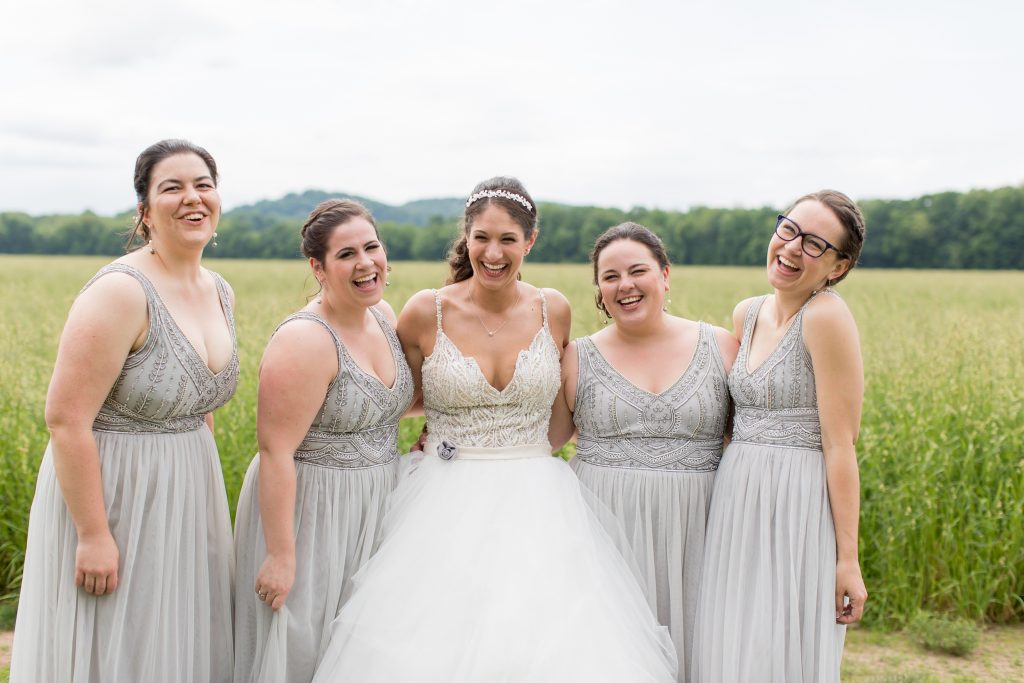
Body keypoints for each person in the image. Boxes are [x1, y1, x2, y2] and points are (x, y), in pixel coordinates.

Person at [310, 177, 678, 682]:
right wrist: (435, 432)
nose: (493, 252)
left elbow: (562, 410)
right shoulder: (426, 311)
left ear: (529, 242)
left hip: (541, 503)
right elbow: (396, 392)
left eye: (508, 239)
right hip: (441, 496)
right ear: (467, 238)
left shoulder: (555, 310)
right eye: (481, 237)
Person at [10, 139, 237, 682]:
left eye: (203, 184)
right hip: (116, 493)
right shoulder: (120, 290)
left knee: (175, 642)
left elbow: (198, 398)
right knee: (119, 644)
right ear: (144, 210)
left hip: (187, 488)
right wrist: (93, 533)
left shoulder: (219, 290)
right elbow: (66, 420)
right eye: (172, 187)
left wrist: (199, 502)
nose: (192, 198)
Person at [232, 199, 413, 683]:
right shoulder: (305, 340)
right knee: (303, 644)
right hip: (314, 510)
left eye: (371, 247)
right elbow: (276, 451)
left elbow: (386, 401)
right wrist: (281, 555)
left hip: (378, 503)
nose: (366, 263)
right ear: (318, 267)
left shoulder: (384, 316)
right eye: (346, 254)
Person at [549, 222, 738, 683]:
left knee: (700, 648)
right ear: (598, 289)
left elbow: (749, 438)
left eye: (638, 271)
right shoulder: (576, 357)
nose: (625, 285)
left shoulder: (722, 346)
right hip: (602, 530)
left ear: (665, 275)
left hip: (701, 527)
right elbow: (543, 441)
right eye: (610, 276)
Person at [692, 190, 869, 682]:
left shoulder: (826, 316)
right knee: (734, 634)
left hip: (797, 498)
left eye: (814, 244)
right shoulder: (746, 313)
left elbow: (840, 444)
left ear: (837, 266)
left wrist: (847, 560)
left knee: (779, 642)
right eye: (788, 229)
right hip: (738, 493)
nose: (791, 248)